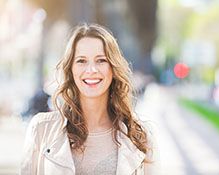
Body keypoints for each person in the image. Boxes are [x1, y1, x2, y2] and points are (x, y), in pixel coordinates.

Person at [20, 23, 160, 175]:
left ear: (113, 68)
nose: (91, 70)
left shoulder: (140, 136)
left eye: (101, 60)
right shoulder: (41, 129)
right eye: (81, 61)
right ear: (70, 69)